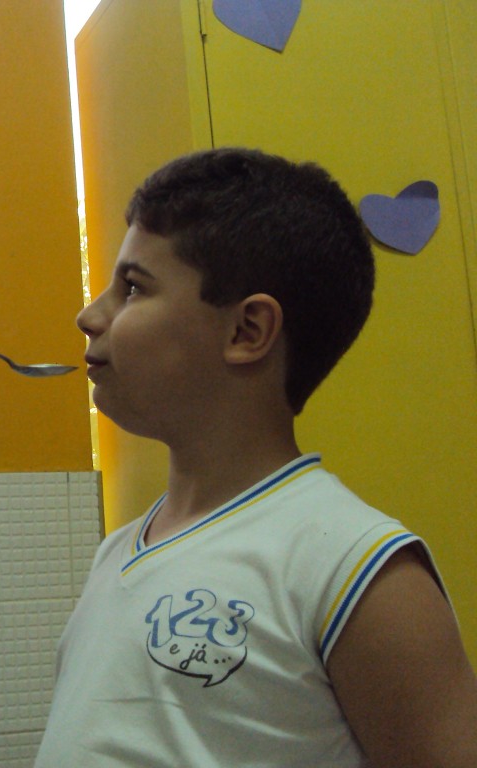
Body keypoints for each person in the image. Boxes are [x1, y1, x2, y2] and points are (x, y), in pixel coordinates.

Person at [35, 148, 477, 767]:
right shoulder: (117, 552)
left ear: (247, 331)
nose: (89, 315)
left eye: (132, 287)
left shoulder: (359, 572)